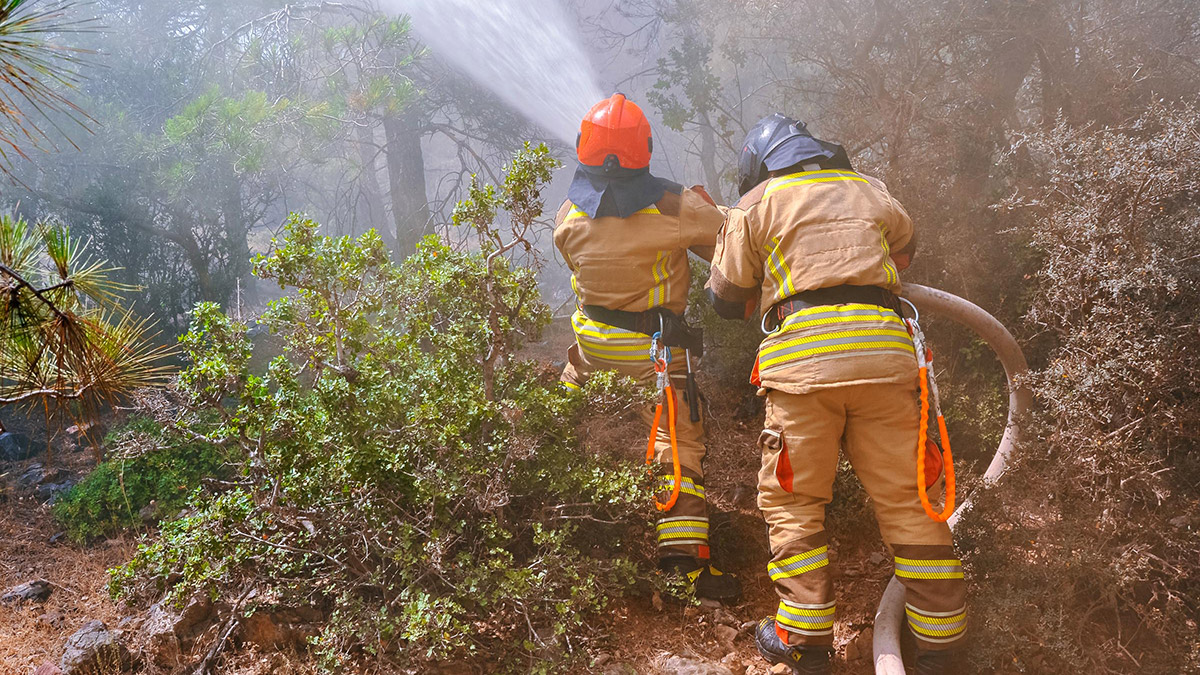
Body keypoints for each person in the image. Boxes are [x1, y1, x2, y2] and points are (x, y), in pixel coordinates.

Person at [706, 113, 966, 674]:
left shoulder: (756, 203)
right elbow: (904, 250)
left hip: (803, 372)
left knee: (794, 505)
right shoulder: (869, 190)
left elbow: (726, 297)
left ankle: (804, 641)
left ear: (761, 163)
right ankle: (942, 646)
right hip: (886, 363)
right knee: (910, 501)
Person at [554, 93, 740, 602]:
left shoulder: (568, 211)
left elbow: (574, 259)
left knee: (562, 415)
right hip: (652, 354)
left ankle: (548, 525)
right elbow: (733, 232)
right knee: (677, 441)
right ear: (646, 149)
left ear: (583, 148)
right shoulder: (673, 205)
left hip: (592, 347)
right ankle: (682, 562)